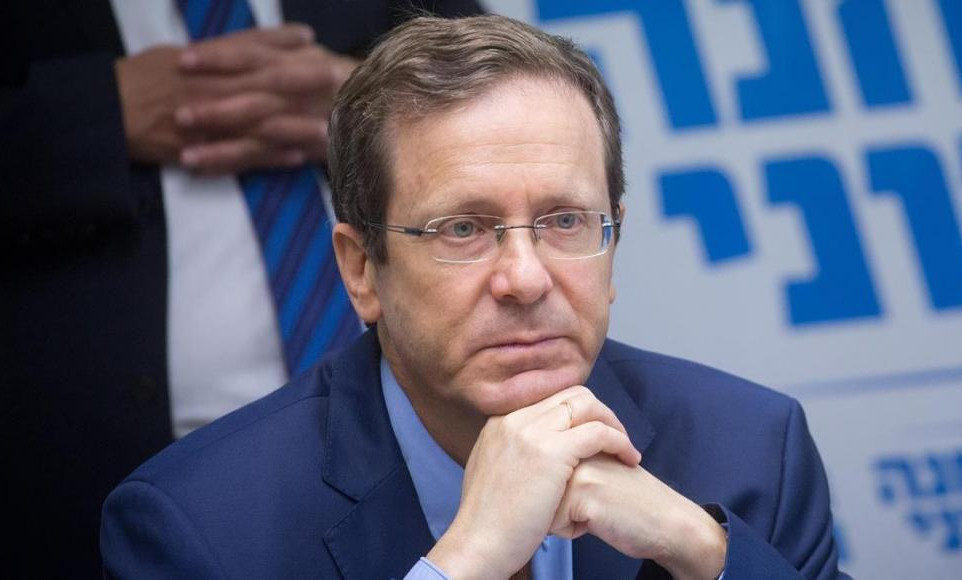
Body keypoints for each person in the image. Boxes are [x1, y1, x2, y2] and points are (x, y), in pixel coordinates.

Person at [100, 14, 848, 579]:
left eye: (564, 221)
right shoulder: (200, 526)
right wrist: (466, 560)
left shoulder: (751, 450)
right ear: (361, 270)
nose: (525, 278)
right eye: (462, 228)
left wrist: (706, 554)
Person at [0, 1, 481, 576]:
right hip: (83, 480)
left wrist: (376, 111)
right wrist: (94, 116)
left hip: (412, 450)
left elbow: (495, 76)